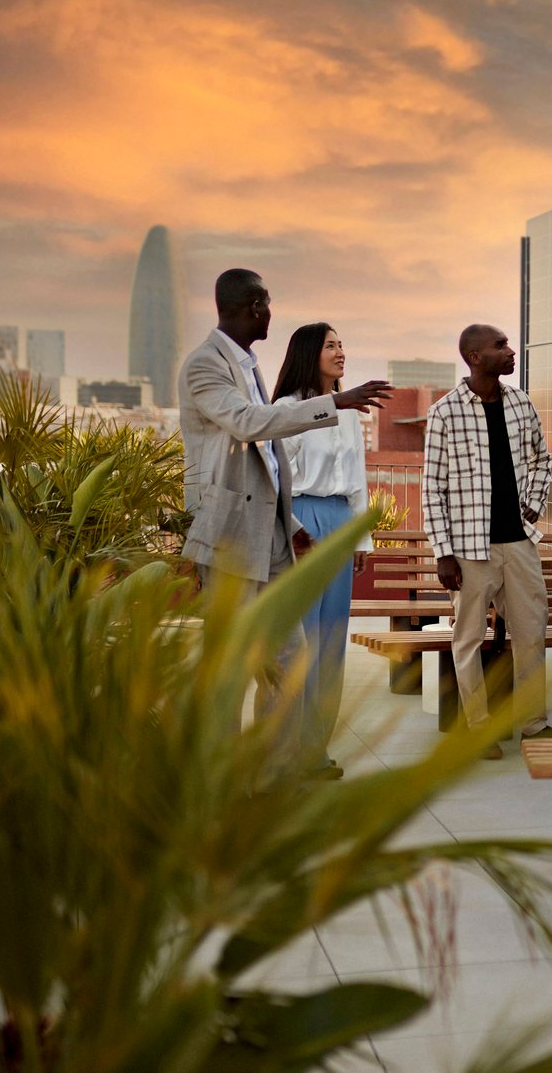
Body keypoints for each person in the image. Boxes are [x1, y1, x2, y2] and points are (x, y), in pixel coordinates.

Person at [179, 270, 390, 760]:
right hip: (233, 536)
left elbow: (276, 466)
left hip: (276, 533)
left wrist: (293, 527)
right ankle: (222, 771)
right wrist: (334, 402)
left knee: (293, 658)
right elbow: (250, 425)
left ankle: (278, 769)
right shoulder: (205, 365)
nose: (271, 312)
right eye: (267, 303)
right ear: (254, 306)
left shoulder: (247, 365)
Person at [422, 322, 552, 758]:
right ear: (476, 357)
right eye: (501, 346)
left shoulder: (521, 404)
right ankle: (478, 729)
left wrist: (533, 502)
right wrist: (443, 553)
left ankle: (534, 725)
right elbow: (432, 489)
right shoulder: (445, 412)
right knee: (467, 640)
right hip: (468, 549)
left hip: (519, 543)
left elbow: (541, 457)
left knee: (531, 634)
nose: (510, 350)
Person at [272, 322, 374, 781]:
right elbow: (277, 481)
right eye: (331, 345)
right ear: (309, 353)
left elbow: (358, 481)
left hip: (338, 524)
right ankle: (287, 751)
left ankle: (316, 750)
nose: (341, 351)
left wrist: (361, 537)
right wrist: (294, 529)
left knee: (332, 642)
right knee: (302, 643)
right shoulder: (287, 409)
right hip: (301, 524)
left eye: (342, 344)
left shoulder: (349, 411)